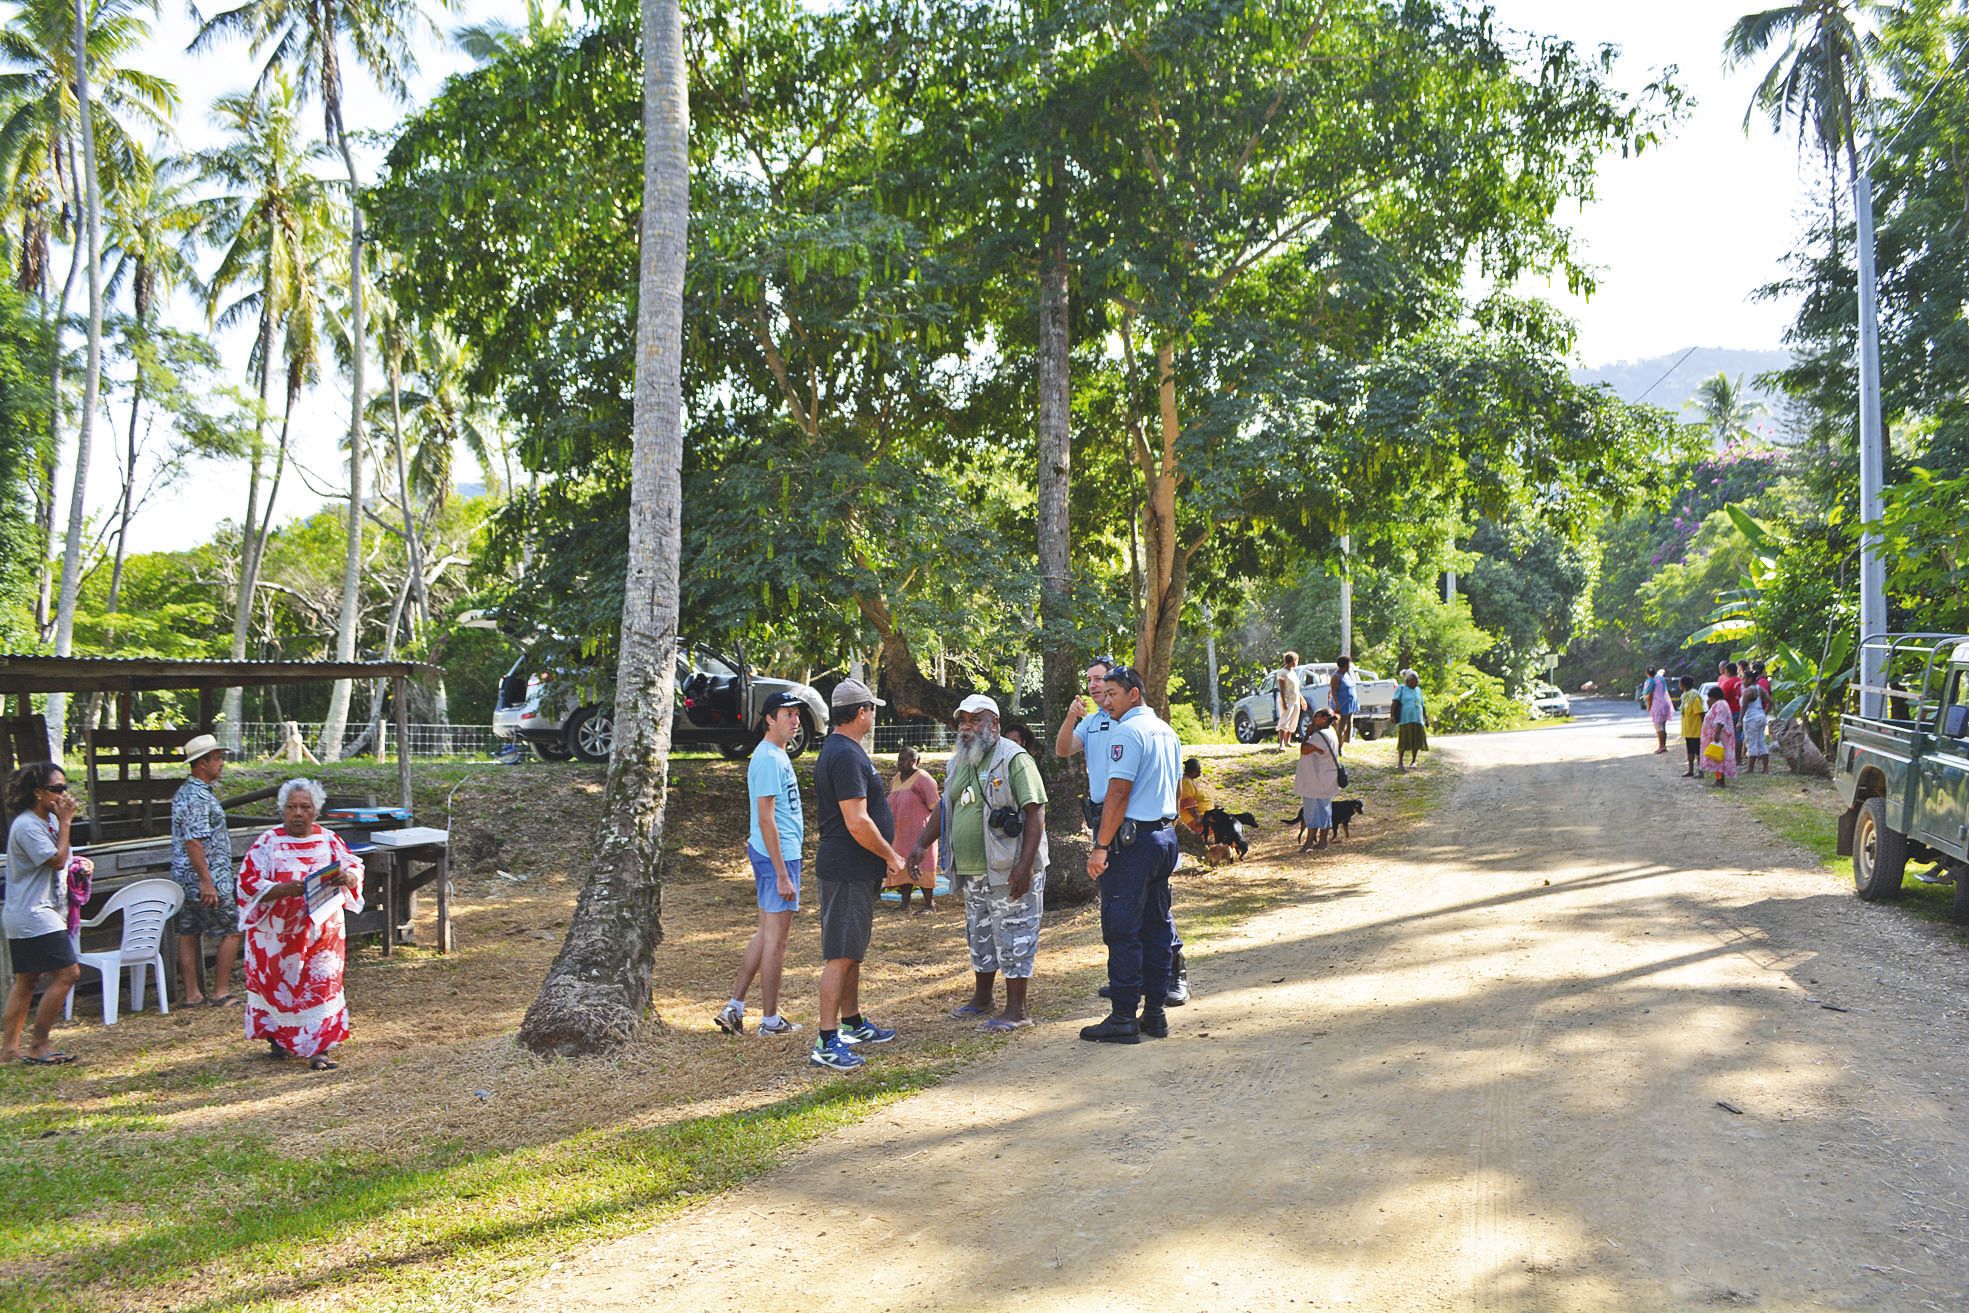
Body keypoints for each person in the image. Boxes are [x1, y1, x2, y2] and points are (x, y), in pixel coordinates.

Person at [1058, 656, 1191, 1008]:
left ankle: (1124, 1012)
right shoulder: (1165, 729)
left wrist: (1101, 846)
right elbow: (1177, 788)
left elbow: (1118, 793)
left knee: (1123, 926)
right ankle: (1154, 1010)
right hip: (1161, 834)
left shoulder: (1128, 732)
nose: (1105, 698)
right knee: (1155, 922)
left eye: (1112, 691)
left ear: (1133, 694)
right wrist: (1169, 827)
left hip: (1131, 839)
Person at [907, 695, 1047, 1031]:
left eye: (975, 719)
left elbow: (1035, 811)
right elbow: (945, 805)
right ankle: (983, 999)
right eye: (962, 721)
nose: (967, 727)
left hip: (1008, 867)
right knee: (980, 935)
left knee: (1014, 934)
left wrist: (1025, 866)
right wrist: (920, 845)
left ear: (995, 725)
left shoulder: (1015, 759)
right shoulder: (959, 761)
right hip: (972, 870)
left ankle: (1018, 1010)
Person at [808, 679, 907, 1072]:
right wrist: (892, 856)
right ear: (862, 712)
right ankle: (827, 1041)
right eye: (872, 710)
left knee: (852, 952)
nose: (873, 716)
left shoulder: (843, 750)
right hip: (847, 868)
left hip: (854, 868)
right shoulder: (846, 755)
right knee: (840, 955)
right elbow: (857, 821)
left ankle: (851, 1022)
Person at [235, 778, 363, 1071]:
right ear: (283, 810)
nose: (298, 813)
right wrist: (288, 889)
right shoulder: (268, 842)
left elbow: (353, 865)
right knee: (280, 987)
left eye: (305, 807)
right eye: (292, 807)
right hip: (277, 935)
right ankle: (279, 1039)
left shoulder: (329, 840)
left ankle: (320, 1049)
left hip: (322, 932)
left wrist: (350, 877)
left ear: (315, 810)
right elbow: (249, 883)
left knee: (323, 985)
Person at [714, 692, 808, 1038]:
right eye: (787, 714)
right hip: (777, 857)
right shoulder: (769, 758)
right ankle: (769, 1021)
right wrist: (783, 873)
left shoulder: (775, 755)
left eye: (797, 714)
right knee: (776, 942)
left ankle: (734, 1008)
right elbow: (766, 819)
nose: (794, 720)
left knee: (766, 935)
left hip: (774, 854)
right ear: (769, 718)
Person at [3, 764, 85, 1065]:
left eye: (65, 787)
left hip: (36, 910)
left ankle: (9, 1049)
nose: (64, 794)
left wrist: (80, 865)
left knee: (27, 981)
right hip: (33, 913)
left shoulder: (46, 821)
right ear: (38, 793)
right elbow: (56, 859)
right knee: (69, 973)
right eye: (58, 789)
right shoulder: (27, 825)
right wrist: (66, 823)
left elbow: (65, 860)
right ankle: (39, 1043)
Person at [170, 734, 243, 1007]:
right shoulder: (198, 797)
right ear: (202, 763)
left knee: (189, 932)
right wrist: (207, 881)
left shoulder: (185, 793)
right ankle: (221, 992)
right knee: (232, 929)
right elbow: (194, 841)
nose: (221, 763)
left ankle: (192, 994)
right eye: (217, 758)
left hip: (186, 878)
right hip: (208, 878)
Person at [885, 745, 939, 914]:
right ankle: (905, 903)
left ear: (914, 761)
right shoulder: (895, 780)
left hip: (920, 832)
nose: (899, 763)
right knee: (902, 863)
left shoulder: (924, 779)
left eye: (903, 760)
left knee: (923, 863)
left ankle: (929, 904)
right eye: (898, 760)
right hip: (900, 832)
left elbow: (935, 807)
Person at [1294, 707, 1343, 850]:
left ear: (1323, 719)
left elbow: (1304, 749)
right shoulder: (1331, 732)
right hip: (1326, 778)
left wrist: (1307, 734)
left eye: (1316, 717)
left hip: (1316, 780)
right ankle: (1322, 841)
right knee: (1324, 809)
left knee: (1312, 810)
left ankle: (1310, 841)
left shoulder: (1318, 736)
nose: (1313, 719)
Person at [1700, 687, 1739, 789]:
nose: (1708, 701)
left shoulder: (1720, 704)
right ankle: (1718, 779)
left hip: (1721, 737)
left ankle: (1720, 780)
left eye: (1709, 698)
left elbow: (1720, 721)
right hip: (1718, 736)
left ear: (1714, 697)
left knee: (1719, 758)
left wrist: (1716, 734)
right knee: (1717, 757)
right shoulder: (1720, 704)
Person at [1392, 672, 1428, 771]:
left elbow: (1422, 704)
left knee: (1416, 740)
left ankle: (1413, 761)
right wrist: (1392, 715)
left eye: (1417, 681)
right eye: (1414, 681)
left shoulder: (1418, 690)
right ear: (1408, 681)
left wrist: (1426, 718)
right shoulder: (1401, 688)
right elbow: (1395, 702)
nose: (1416, 683)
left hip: (1417, 719)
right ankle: (1400, 762)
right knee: (1403, 740)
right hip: (1405, 719)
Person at [1741, 683, 1774, 775]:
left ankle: (1750, 768)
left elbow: (1744, 707)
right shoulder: (1760, 689)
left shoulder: (1747, 691)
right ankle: (1765, 768)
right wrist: (1764, 713)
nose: (1743, 680)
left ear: (1749, 679)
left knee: (1752, 743)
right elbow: (1770, 701)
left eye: (1744, 678)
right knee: (1762, 743)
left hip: (1751, 718)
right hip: (1760, 717)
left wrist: (1740, 720)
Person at [1275, 652, 1304, 750]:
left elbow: (1296, 688)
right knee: (1285, 720)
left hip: (1295, 699)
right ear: (1292, 661)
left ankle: (1288, 741)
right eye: (1296, 661)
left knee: (1293, 720)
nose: (1297, 663)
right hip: (1287, 699)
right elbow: (1281, 688)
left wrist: (1302, 700)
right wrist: (1283, 702)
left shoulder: (1293, 672)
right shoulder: (1282, 673)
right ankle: (1281, 744)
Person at [1329, 656, 1360, 749]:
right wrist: (1337, 705)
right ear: (1344, 665)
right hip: (1341, 706)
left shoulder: (1346, 675)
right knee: (1340, 728)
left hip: (1349, 706)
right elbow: (1333, 691)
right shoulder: (1336, 676)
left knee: (1348, 727)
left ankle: (1342, 744)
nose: (1349, 667)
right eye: (1348, 665)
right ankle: (1338, 748)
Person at [1678, 676, 1705, 778]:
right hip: (1688, 729)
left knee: (1698, 751)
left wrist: (1704, 727)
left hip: (1696, 729)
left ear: (1684, 684)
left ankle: (1700, 771)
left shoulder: (1694, 697)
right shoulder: (1685, 696)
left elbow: (1701, 713)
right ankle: (1690, 770)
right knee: (1689, 750)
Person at [1645, 669, 1673, 754]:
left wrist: (1649, 707)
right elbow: (1662, 672)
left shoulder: (1650, 681)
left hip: (1657, 705)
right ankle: (1663, 745)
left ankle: (1661, 746)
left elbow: (1649, 696)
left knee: (1658, 727)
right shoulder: (1660, 679)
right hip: (1665, 704)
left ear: (1647, 673)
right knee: (1663, 726)